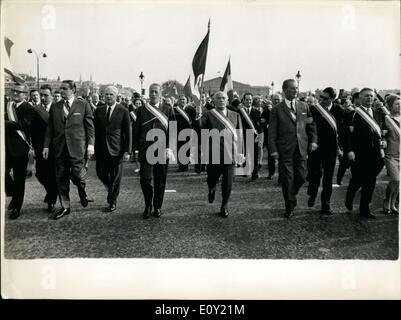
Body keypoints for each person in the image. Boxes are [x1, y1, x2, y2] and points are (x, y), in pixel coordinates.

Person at [43, 80, 95, 220]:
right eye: (61, 89)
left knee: (78, 176)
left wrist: (90, 146)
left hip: (77, 148)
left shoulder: (83, 105)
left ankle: (82, 192)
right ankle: (65, 206)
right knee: (61, 178)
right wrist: (46, 146)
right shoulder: (55, 107)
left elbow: (90, 127)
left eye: (65, 88)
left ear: (73, 90)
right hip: (59, 148)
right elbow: (50, 129)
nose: (61, 91)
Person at [268, 79, 318, 218]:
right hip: (285, 150)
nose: (295, 91)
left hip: (301, 148)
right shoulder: (276, 110)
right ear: (284, 90)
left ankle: (292, 194)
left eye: (296, 88)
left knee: (301, 177)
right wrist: (273, 150)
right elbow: (272, 132)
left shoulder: (304, 106)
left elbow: (311, 126)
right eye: (292, 88)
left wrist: (313, 140)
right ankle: (289, 206)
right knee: (287, 179)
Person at [195, 91, 244, 218]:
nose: (221, 100)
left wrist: (241, 152)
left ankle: (224, 206)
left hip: (230, 154)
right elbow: (199, 127)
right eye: (218, 98)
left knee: (228, 182)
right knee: (212, 178)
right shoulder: (208, 114)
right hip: (214, 154)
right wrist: (198, 115)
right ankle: (211, 188)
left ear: (227, 100)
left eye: (223, 98)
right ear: (214, 101)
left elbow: (240, 135)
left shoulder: (235, 115)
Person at [134, 83, 175, 219]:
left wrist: (170, 147)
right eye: (151, 92)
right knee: (145, 179)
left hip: (162, 149)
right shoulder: (141, 110)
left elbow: (173, 130)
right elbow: (136, 130)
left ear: (160, 94)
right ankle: (147, 204)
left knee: (160, 180)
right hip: (146, 149)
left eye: (155, 92)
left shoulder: (168, 109)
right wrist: (134, 149)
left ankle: (157, 206)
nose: (153, 94)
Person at [343, 88, 385, 219]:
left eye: (372, 96)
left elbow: (382, 132)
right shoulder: (352, 114)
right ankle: (350, 194)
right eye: (367, 96)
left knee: (370, 182)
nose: (370, 98)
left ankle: (364, 209)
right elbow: (345, 136)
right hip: (358, 154)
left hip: (375, 154)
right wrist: (349, 150)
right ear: (360, 98)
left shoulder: (379, 114)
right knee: (357, 180)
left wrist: (384, 142)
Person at [307, 87, 344, 215]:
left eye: (325, 98)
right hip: (316, 148)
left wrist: (340, 148)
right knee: (315, 175)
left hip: (331, 149)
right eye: (321, 97)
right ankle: (312, 193)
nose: (321, 100)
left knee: (328, 178)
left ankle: (325, 205)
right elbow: (309, 128)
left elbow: (341, 131)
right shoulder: (313, 109)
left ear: (333, 99)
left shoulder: (339, 110)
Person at [94, 86, 131, 212]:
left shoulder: (123, 110)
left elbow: (128, 131)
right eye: (106, 94)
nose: (108, 96)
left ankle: (112, 200)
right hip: (101, 148)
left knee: (115, 176)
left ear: (116, 96)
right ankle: (111, 190)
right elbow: (95, 130)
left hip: (117, 148)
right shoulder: (98, 110)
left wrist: (127, 150)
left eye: (111, 94)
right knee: (100, 172)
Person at [5, 84, 36, 219]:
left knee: (19, 179)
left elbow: (23, 125)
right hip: (5, 147)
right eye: (14, 91)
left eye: (19, 92)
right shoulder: (8, 106)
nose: (15, 94)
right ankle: (12, 192)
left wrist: (3, 122)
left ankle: (17, 206)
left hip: (20, 148)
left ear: (25, 94)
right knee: (3, 174)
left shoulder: (29, 108)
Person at [30, 84, 58, 213]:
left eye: (46, 95)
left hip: (56, 148)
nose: (43, 97)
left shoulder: (58, 108)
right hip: (41, 148)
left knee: (53, 174)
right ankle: (51, 192)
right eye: (41, 95)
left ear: (51, 95)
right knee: (40, 174)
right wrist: (35, 148)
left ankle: (51, 200)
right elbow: (33, 131)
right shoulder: (36, 110)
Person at [382, 95, 400, 215]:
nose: (400, 106)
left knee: (399, 182)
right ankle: (387, 200)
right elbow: (381, 134)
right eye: (397, 104)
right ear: (390, 105)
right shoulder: (386, 118)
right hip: (391, 154)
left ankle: (393, 203)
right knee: (395, 179)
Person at [239, 93, 262, 180]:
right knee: (244, 154)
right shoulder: (239, 112)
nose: (249, 101)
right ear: (243, 100)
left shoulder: (256, 112)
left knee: (254, 155)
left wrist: (258, 134)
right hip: (243, 135)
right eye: (247, 99)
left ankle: (254, 173)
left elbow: (259, 125)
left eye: (250, 100)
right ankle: (245, 170)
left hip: (253, 136)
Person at [336, 92, 357, 185]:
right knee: (344, 163)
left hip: (358, 142)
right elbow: (343, 128)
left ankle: (356, 180)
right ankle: (339, 179)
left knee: (355, 164)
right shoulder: (349, 112)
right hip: (349, 141)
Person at [174, 94, 196, 172]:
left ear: (186, 101)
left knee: (186, 148)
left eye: (183, 99)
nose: (182, 101)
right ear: (178, 100)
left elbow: (194, 121)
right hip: (178, 131)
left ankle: (185, 166)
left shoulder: (191, 109)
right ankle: (181, 165)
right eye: (181, 99)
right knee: (179, 148)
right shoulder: (175, 110)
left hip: (188, 131)